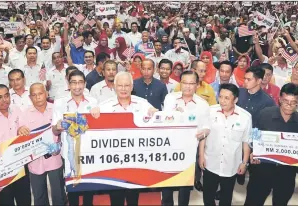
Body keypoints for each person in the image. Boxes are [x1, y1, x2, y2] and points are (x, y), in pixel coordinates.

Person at [91, 71, 158, 206]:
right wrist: (92, 115)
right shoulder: (104, 106)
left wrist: (156, 114)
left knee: (133, 198)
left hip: (136, 161)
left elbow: (157, 122)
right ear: (114, 87)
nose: (123, 89)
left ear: (132, 87)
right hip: (113, 162)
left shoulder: (143, 104)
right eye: (120, 85)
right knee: (116, 198)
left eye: (127, 85)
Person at [244, 83, 298, 206]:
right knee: (253, 201)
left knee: (281, 202)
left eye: (293, 102)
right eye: (286, 101)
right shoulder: (265, 115)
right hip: (262, 170)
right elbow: (254, 136)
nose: (289, 106)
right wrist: (254, 152)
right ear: (279, 99)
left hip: (286, 174)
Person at [162, 70, 211, 206]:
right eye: (184, 83)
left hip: (189, 152)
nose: (188, 86)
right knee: (166, 185)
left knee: (185, 188)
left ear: (197, 85)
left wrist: (201, 154)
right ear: (180, 83)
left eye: (191, 83)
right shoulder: (170, 98)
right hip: (168, 149)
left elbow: (205, 129)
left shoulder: (203, 105)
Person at [52, 70, 98, 206]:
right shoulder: (60, 102)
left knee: (89, 192)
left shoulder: (93, 101)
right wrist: (58, 126)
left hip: (89, 153)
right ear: (68, 83)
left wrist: (98, 112)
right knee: (73, 193)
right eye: (73, 82)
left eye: (80, 82)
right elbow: (54, 130)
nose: (77, 86)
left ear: (85, 84)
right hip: (69, 153)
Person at [201, 83, 251, 205]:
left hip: (231, 165)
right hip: (211, 162)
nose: (222, 101)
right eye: (221, 96)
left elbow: (246, 142)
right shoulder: (210, 111)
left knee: (226, 197)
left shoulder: (245, 117)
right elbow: (203, 136)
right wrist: (201, 156)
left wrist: (244, 163)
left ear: (236, 99)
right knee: (208, 196)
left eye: (227, 98)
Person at [16, 83, 66, 206]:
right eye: (34, 95)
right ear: (30, 97)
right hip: (35, 160)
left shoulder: (56, 109)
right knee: (39, 195)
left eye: (40, 93)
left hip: (55, 157)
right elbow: (20, 134)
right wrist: (20, 130)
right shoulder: (24, 113)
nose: (38, 97)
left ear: (46, 94)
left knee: (58, 192)